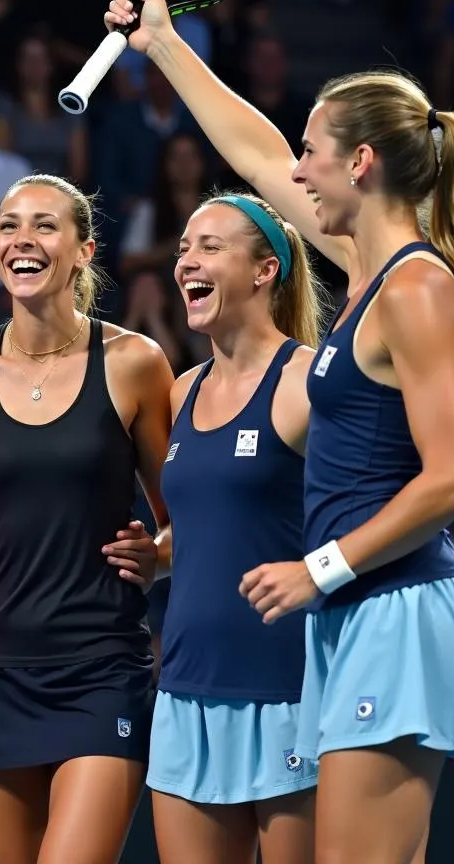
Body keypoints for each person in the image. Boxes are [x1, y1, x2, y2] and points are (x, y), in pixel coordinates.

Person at [105, 0, 454, 863]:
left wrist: (315, 569)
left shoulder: (414, 284)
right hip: (361, 608)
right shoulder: (368, 276)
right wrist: (167, 45)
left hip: (393, 606)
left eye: (312, 152)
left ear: (360, 161)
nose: (295, 171)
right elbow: (254, 159)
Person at [0, 173, 171, 864]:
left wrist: (160, 553)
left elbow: (185, 514)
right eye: (9, 225)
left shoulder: (134, 363)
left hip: (102, 666)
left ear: (83, 251)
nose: (22, 239)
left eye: (43, 225)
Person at [150, 192, 323, 864]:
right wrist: (156, 554)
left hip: (289, 686)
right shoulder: (181, 389)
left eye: (209, 247)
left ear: (263, 271)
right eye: (183, 250)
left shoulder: (308, 380)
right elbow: (211, 526)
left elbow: (377, 513)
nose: (187, 261)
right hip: (187, 686)